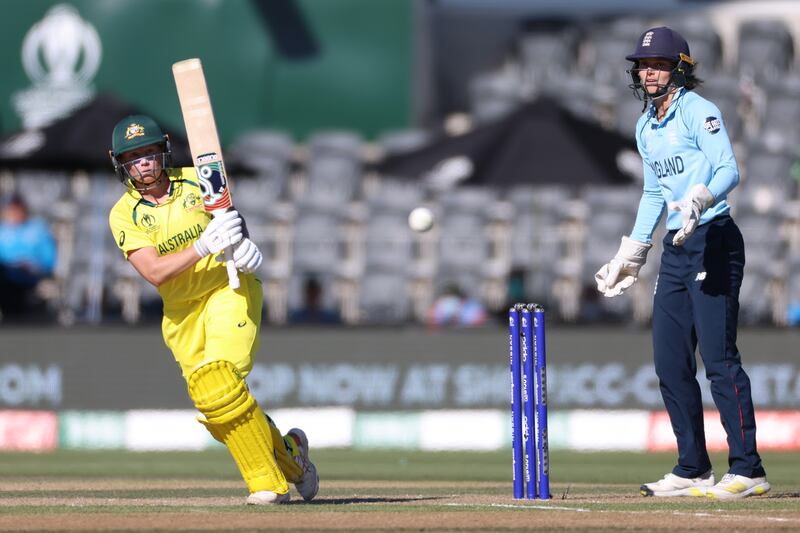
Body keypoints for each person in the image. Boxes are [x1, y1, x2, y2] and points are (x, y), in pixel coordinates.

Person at [107, 115, 318, 505]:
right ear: (121, 164)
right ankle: (292, 458)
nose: (144, 163)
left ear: (163, 151)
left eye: (149, 153)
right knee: (214, 405)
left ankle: (267, 483)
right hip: (181, 313)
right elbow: (154, 272)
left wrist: (241, 244)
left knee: (221, 382)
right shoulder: (123, 213)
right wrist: (202, 246)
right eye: (134, 158)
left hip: (227, 288)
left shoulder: (198, 180)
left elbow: (230, 221)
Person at [594, 27, 768, 499]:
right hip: (677, 245)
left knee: (717, 360)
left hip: (713, 237)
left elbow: (728, 167)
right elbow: (653, 192)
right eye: (643, 65)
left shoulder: (699, 112)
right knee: (670, 362)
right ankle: (692, 467)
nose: (648, 72)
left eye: (658, 64)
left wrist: (700, 197)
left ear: (680, 68)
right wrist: (632, 250)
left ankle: (748, 469)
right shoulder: (645, 124)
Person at [0, 193, 57, 321]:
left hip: (31, 277)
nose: (15, 212)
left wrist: (32, 265)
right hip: (6, 278)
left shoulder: (38, 228)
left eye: (18, 208)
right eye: (12, 209)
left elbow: (49, 259)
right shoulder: (2, 230)